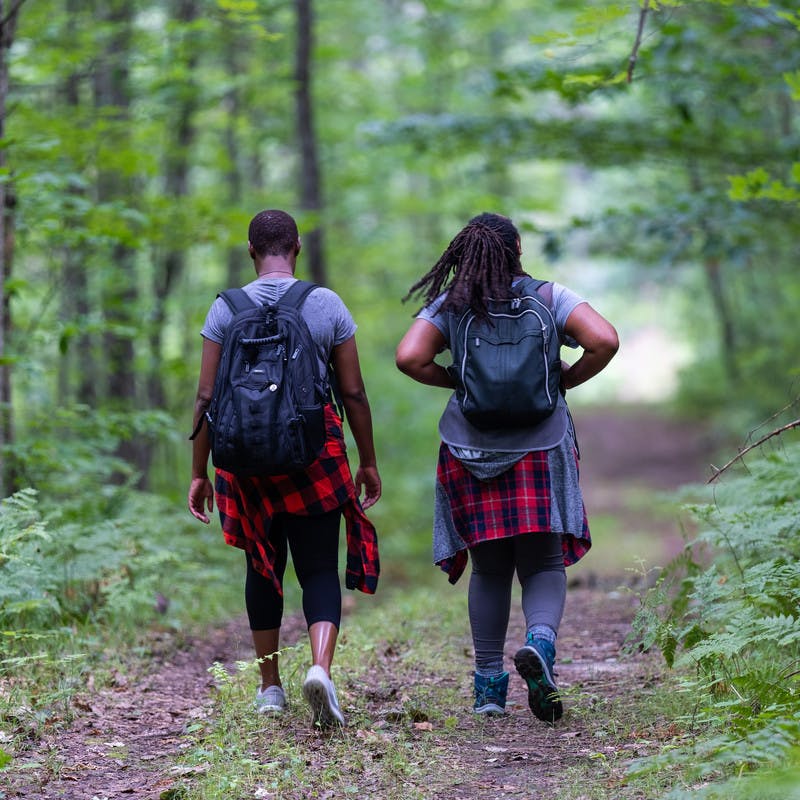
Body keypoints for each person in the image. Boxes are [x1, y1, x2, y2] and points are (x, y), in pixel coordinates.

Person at [395, 212, 618, 724]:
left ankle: (490, 689)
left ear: (464, 254)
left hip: (470, 451)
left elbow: (409, 357)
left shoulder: (452, 305)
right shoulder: (547, 297)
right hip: (541, 445)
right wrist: (566, 380)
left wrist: (456, 381)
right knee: (542, 562)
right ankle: (539, 644)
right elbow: (604, 339)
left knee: (490, 569)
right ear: (516, 247)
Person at [188, 209, 381, 729]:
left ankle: (269, 688)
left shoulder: (225, 309)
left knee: (261, 565)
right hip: (314, 455)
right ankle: (320, 668)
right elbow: (354, 392)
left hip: (245, 461)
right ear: (296, 246)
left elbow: (207, 396)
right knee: (317, 568)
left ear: (250, 252)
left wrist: (199, 471)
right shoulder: (325, 305)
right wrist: (367, 461)